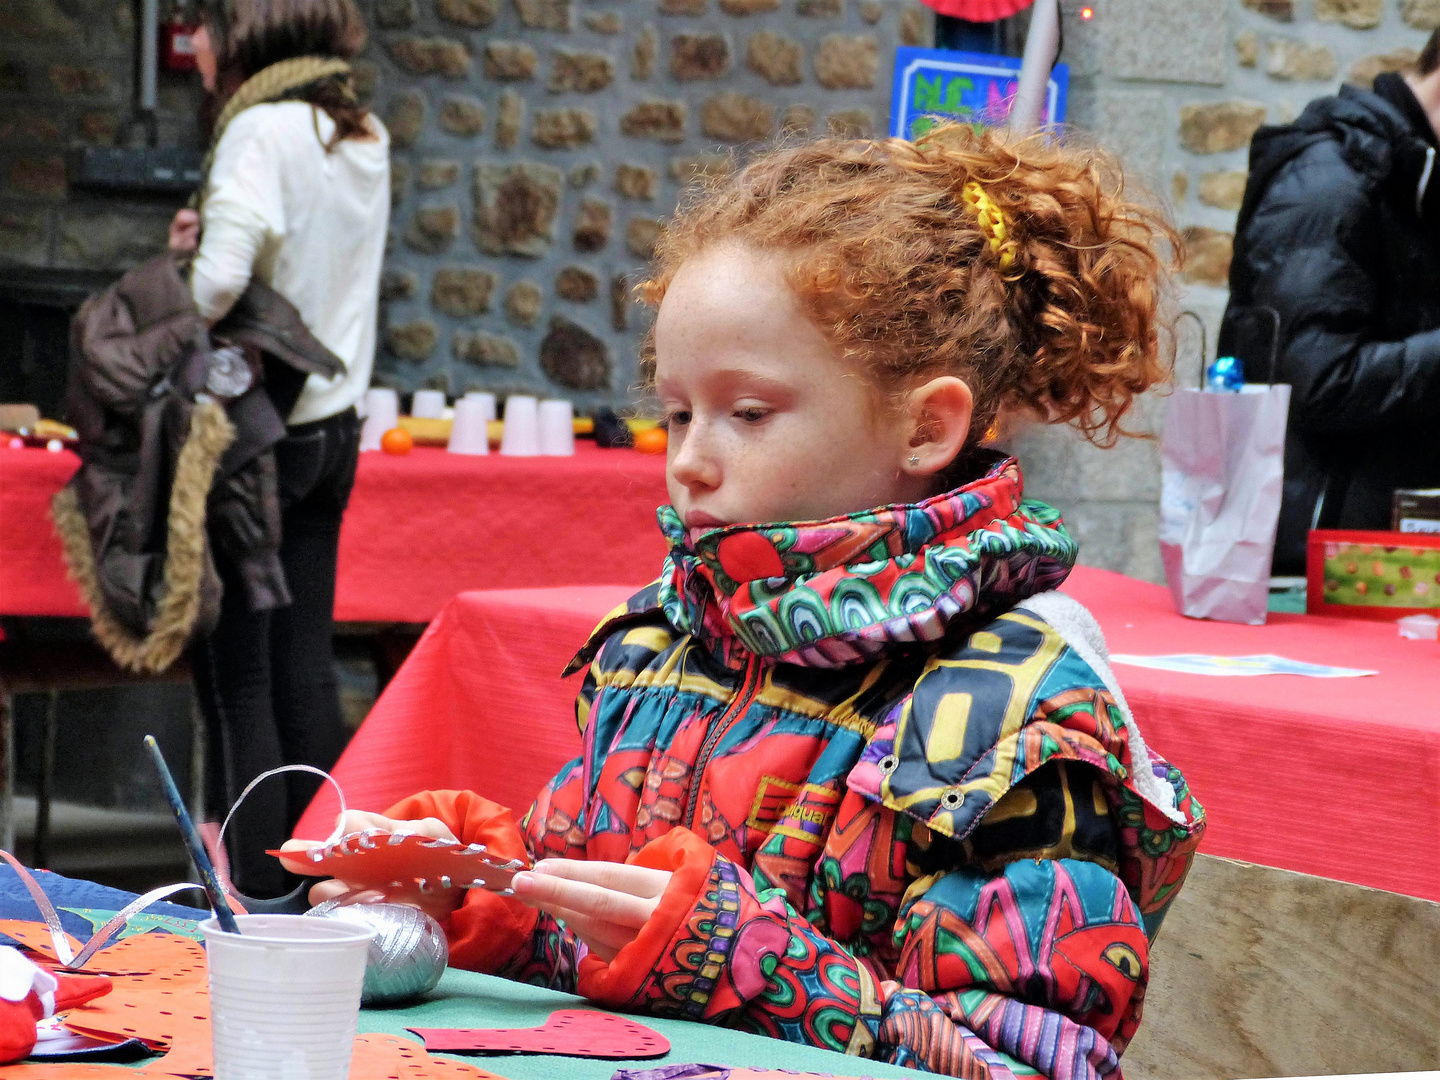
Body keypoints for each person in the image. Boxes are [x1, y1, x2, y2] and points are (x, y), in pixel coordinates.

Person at [282, 126, 1205, 1079]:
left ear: (926, 426)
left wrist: (737, 957)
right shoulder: (667, 644)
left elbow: (1032, 1063)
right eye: (677, 411)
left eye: (748, 414)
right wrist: (496, 898)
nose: (690, 458)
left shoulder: (1015, 715)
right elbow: (607, 956)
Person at [168, 0, 390, 896]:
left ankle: (257, 899)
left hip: (257, 435)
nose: (195, 46)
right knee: (304, 667)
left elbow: (221, 283)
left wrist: (180, 277)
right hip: (333, 429)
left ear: (243, 33)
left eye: (203, 26)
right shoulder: (358, 127)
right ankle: (316, 888)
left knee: (239, 682)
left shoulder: (257, 127)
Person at [1221, 31, 1440, 575]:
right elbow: (1318, 383)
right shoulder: (1330, 184)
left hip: (1384, 565)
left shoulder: (1416, 178)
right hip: (1311, 567)